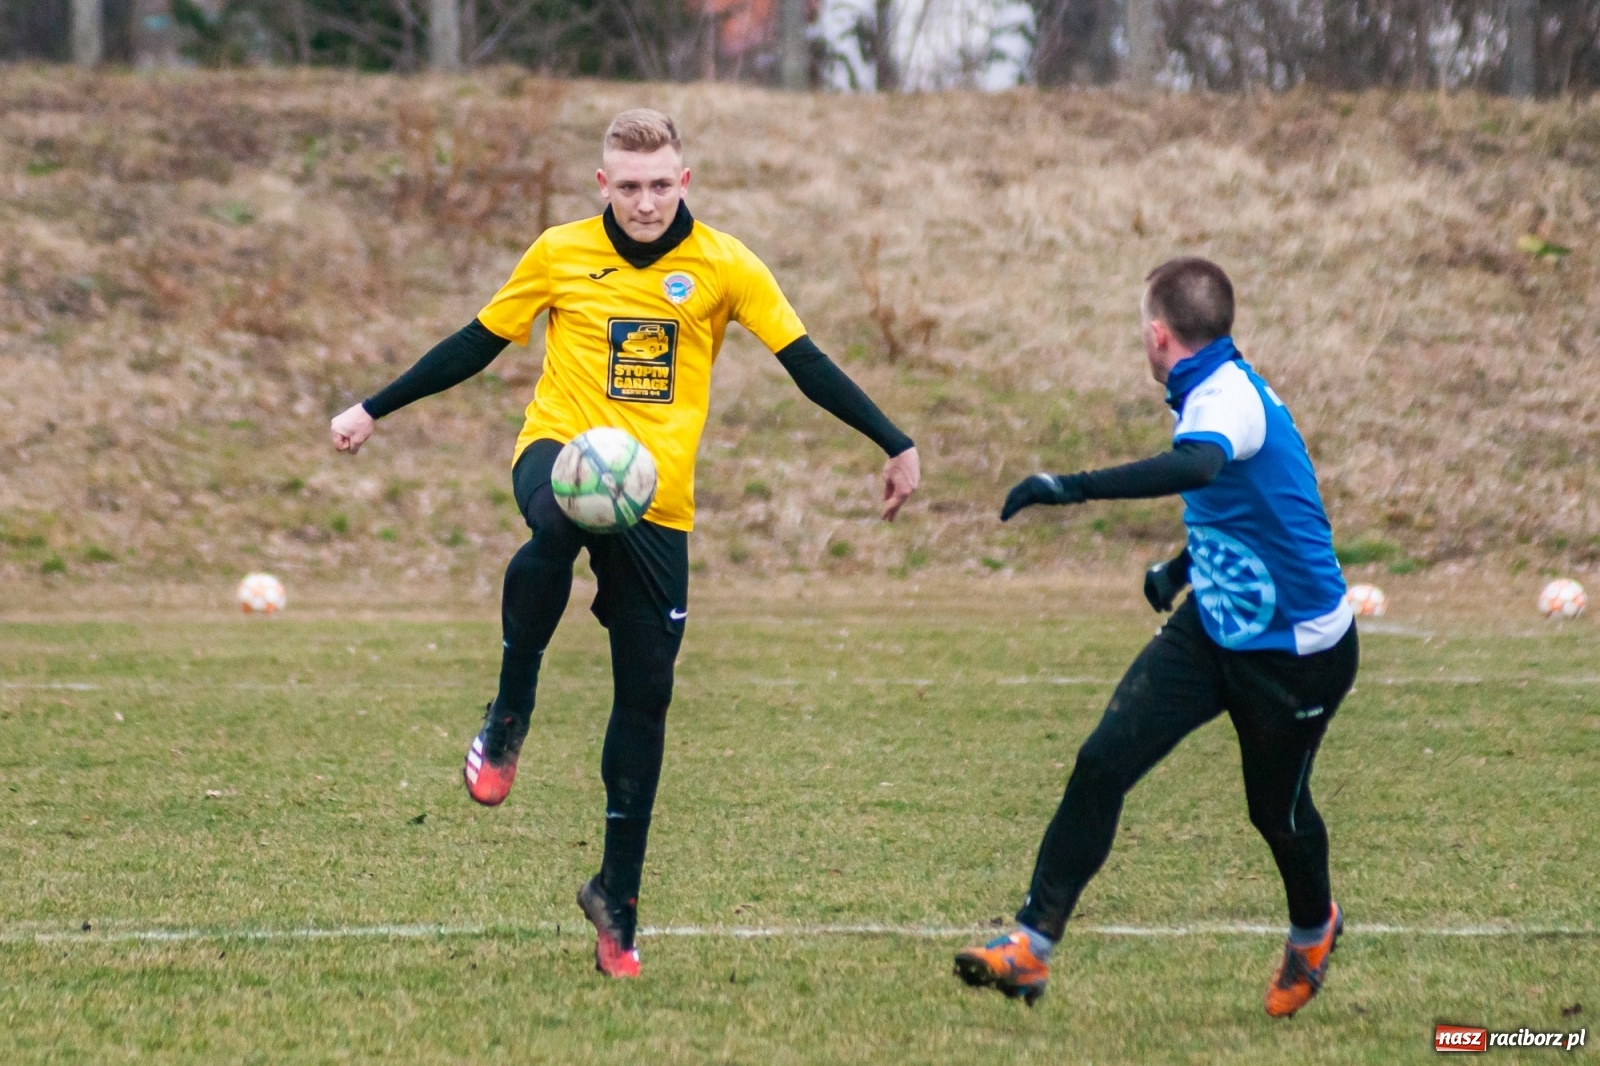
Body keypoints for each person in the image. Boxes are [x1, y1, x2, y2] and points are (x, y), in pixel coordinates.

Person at [329, 109, 920, 979]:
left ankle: (618, 901)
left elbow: (807, 362)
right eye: (628, 186)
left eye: (660, 185)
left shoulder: (724, 265)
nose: (645, 202)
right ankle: (507, 717)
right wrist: (372, 407)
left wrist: (894, 440)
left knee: (645, 700)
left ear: (685, 182)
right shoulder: (561, 252)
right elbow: (477, 343)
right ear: (602, 186)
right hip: (558, 453)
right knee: (559, 517)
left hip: (658, 505)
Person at [954, 257, 1357, 1017]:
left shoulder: (1225, 399)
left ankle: (1314, 928)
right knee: (1103, 761)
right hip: (1213, 627)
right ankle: (1030, 950)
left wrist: (1069, 487)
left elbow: (1200, 467)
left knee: (1277, 814)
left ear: (1156, 333)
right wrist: (1179, 572)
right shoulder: (1210, 387)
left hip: (1297, 654)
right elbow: (1247, 506)